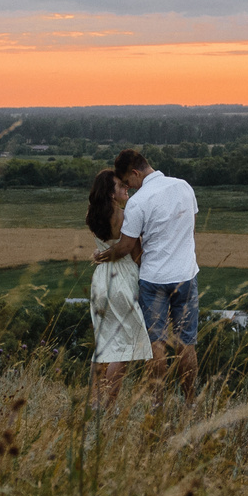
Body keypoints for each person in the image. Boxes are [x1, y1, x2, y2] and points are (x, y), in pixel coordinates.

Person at [96, 147, 199, 398]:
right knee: (186, 343)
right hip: (186, 274)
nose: (130, 187)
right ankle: (190, 403)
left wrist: (102, 256)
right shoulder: (184, 186)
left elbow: (127, 246)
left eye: (128, 181)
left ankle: (158, 404)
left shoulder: (139, 202)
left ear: (134, 173)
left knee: (157, 345)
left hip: (154, 280)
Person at [83, 167, 150, 406]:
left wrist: (101, 253)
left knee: (104, 343)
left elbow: (102, 246)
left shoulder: (92, 214)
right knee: (124, 347)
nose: (126, 188)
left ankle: (93, 400)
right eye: (121, 186)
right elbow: (137, 254)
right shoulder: (124, 215)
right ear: (111, 193)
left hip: (101, 279)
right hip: (123, 279)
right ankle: (105, 405)